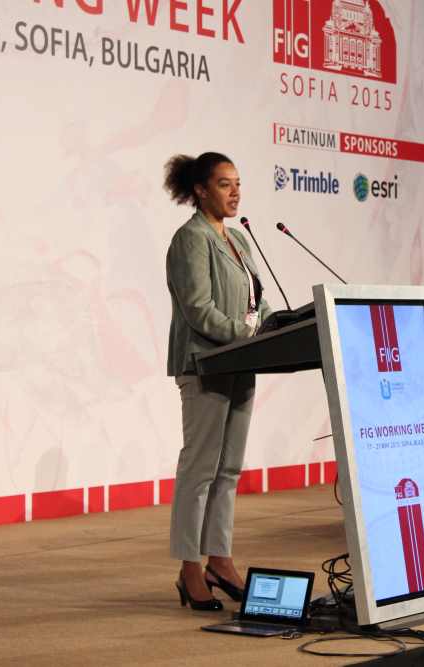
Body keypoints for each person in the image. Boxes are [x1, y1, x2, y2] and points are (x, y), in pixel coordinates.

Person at [163, 152, 272, 611]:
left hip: (240, 364)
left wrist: (274, 326)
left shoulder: (239, 238)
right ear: (201, 190)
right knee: (200, 470)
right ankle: (190, 568)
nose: (235, 192)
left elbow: (255, 301)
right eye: (225, 184)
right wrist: (249, 336)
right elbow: (198, 309)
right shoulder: (191, 239)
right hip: (204, 365)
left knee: (228, 471)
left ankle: (220, 560)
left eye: (238, 183)